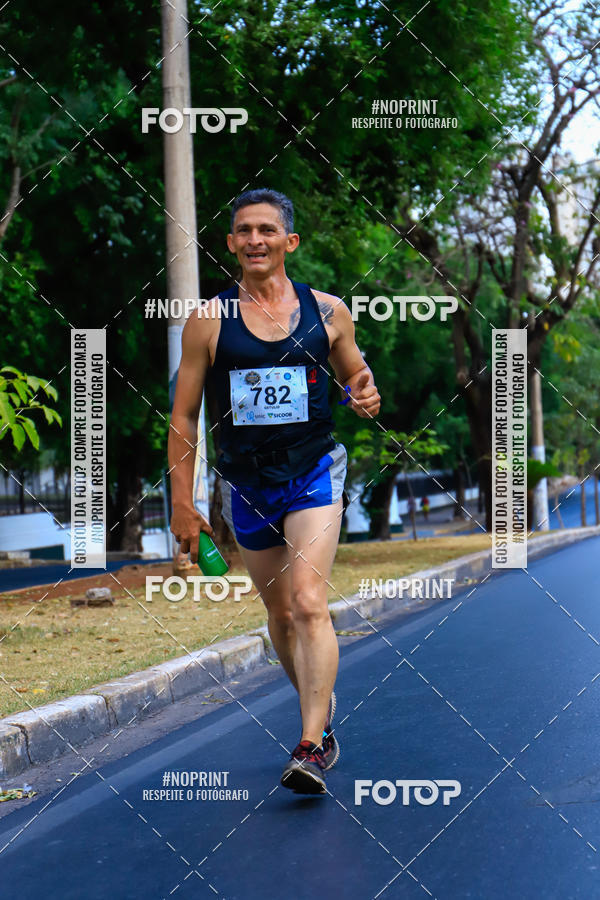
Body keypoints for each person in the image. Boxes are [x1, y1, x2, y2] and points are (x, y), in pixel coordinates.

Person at [168, 188, 380, 795]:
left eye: (266, 230)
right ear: (230, 243)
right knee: (281, 613)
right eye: (244, 230)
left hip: (314, 470)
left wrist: (365, 394)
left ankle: (310, 746)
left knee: (309, 601)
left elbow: (356, 375)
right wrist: (182, 504)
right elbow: (183, 417)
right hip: (247, 483)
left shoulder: (328, 312)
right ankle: (322, 715)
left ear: (290, 241)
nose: (254, 240)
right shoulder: (209, 321)